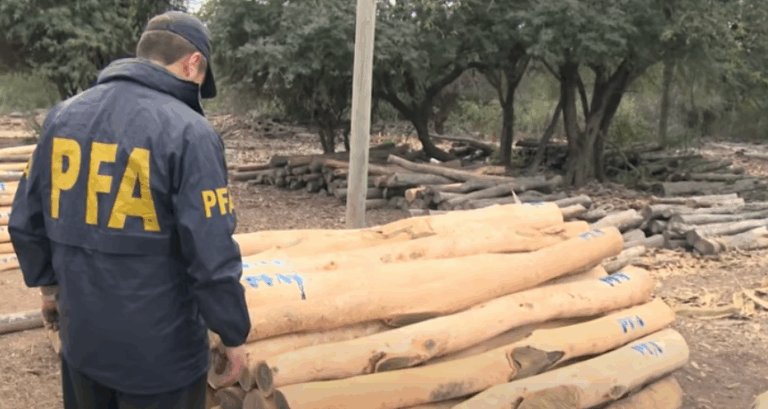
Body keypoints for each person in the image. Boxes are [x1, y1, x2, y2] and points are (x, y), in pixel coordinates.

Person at [9, 10, 251, 409]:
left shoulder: (63, 117)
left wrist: (50, 290)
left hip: (82, 344)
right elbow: (211, 255)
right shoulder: (191, 133)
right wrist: (233, 334)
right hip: (162, 359)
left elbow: (26, 222)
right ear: (194, 64)